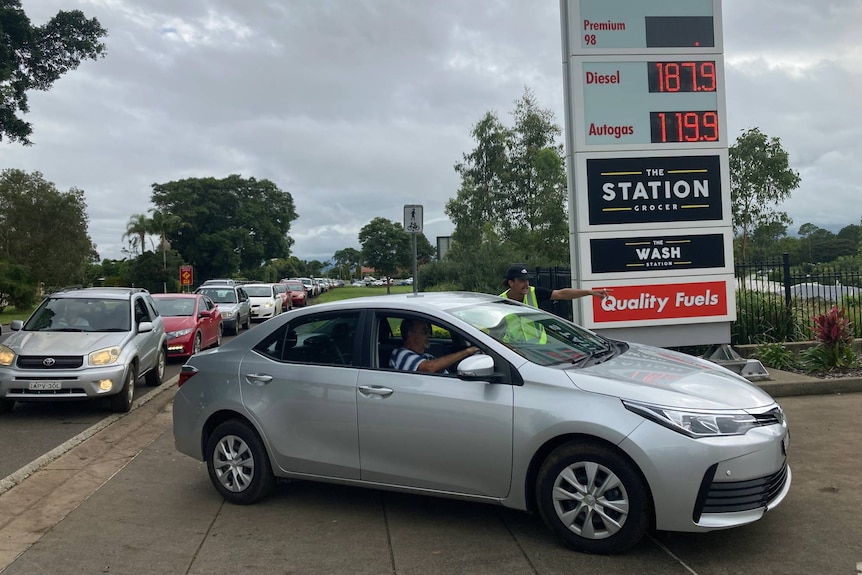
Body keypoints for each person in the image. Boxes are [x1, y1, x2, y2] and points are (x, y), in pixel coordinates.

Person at [390, 318, 479, 373]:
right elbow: (430, 368)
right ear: (410, 334)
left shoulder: (426, 356)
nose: (429, 335)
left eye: (429, 331)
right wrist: (468, 351)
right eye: (425, 331)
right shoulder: (402, 355)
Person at [500, 265, 609, 307]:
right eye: (522, 280)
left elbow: (562, 294)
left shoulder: (534, 292)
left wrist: (589, 292)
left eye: (527, 280)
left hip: (537, 349)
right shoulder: (498, 302)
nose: (526, 284)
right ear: (511, 283)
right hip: (512, 353)